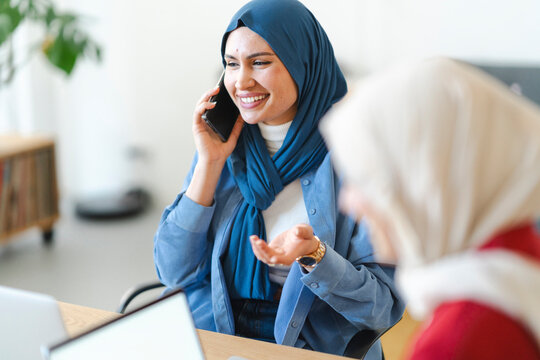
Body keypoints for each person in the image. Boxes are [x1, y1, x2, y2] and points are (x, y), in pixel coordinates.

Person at [153, 0, 405, 357]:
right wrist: (209, 164)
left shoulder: (359, 153)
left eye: (260, 62)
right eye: (231, 64)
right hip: (217, 329)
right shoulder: (224, 144)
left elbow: (382, 307)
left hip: (311, 340)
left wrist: (315, 256)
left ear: (302, 63)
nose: (241, 82)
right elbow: (173, 272)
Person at [321, 57, 540, 359]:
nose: (348, 201)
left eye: (365, 180)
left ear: (427, 182)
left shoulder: (458, 340)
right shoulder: (520, 257)